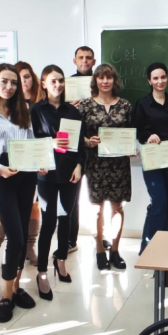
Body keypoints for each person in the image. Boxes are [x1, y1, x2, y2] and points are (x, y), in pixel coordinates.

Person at [0, 64, 42, 323]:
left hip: (26, 174)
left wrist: (40, 161)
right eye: (4, 81)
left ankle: (15, 287)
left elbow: (31, 141)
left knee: (22, 234)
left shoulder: (22, 108)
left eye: (14, 82)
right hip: (1, 175)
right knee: (14, 236)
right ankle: (6, 296)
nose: (9, 86)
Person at [31, 65, 85, 300]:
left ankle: (61, 260)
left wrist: (80, 165)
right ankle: (42, 272)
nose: (58, 85)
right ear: (43, 84)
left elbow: (80, 143)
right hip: (46, 173)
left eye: (61, 80)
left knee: (66, 219)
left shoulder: (72, 111)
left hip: (70, 172)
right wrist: (49, 143)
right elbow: (29, 142)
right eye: (53, 81)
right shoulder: (35, 110)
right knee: (48, 222)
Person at [78, 64, 133, 271]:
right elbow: (77, 136)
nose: (105, 81)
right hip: (95, 164)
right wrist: (87, 141)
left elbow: (130, 133)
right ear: (95, 81)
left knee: (117, 207)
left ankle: (115, 251)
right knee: (96, 210)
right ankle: (100, 251)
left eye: (109, 77)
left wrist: (130, 147)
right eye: (101, 77)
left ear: (114, 80)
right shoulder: (85, 105)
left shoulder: (125, 105)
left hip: (119, 164)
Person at [134, 62, 168, 254]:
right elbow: (138, 131)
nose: (160, 81)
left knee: (166, 204)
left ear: (167, 78)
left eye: (163, 77)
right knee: (159, 201)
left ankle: (163, 247)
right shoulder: (142, 103)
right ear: (149, 81)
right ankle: (150, 249)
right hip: (151, 158)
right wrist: (148, 136)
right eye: (155, 78)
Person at [69, 46, 98, 252]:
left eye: (88, 58)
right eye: (81, 57)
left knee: (98, 197)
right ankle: (71, 240)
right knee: (73, 197)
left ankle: (101, 237)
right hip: (75, 148)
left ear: (94, 61)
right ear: (75, 61)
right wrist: (69, 106)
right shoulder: (67, 84)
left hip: (97, 146)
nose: (85, 61)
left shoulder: (101, 82)